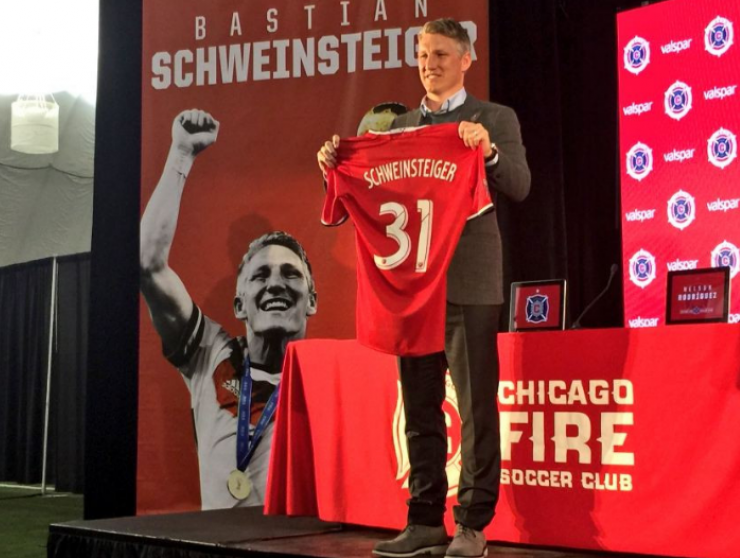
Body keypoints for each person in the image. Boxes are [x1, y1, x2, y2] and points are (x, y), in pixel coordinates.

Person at [317, 18, 530, 558]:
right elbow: (366, 195)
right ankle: (424, 519)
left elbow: (520, 185)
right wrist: (335, 168)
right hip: (412, 286)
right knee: (419, 406)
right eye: (422, 54)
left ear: (466, 59)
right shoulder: (400, 127)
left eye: (439, 54)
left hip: (467, 282)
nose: (428, 64)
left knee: (475, 408)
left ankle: (472, 524)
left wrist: (489, 152)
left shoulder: (493, 118)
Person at [141, 109, 318, 510]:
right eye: (261, 276)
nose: (275, 284)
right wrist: (181, 154)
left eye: (291, 274)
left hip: (300, 541)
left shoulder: (329, 379)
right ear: (239, 304)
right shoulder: (210, 354)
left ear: (311, 300)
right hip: (217, 542)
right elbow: (148, 265)